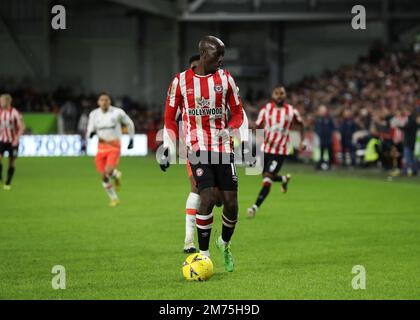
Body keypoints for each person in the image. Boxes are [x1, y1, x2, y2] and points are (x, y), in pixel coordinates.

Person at [161, 36, 244, 272]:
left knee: (230, 204)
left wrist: (230, 129)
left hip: (223, 148)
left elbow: (238, 112)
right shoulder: (180, 81)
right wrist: (167, 146)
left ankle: (224, 244)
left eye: (222, 56)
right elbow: (169, 117)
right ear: (204, 54)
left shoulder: (226, 79)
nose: (221, 60)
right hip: (197, 148)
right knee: (205, 197)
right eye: (218, 55)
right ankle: (204, 255)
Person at [247, 86, 304, 218]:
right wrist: (263, 138)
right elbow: (257, 126)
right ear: (273, 95)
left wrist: (301, 141)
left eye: (282, 93)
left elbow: (300, 123)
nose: (279, 95)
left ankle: (254, 207)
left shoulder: (291, 111)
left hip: (280, 151)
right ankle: (284, 178)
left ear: (285, 95)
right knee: (266, 176)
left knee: (267, 178)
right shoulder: (266, 110)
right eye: (277, 93)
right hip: (266, 149)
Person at [86, 93, 135, 206]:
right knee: (104, 176)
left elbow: (130, 123)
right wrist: (89, 136)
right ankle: (115, 182)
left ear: (110, 102)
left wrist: (131, 139)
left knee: (106, 174)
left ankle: (114, 196)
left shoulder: (118, 113)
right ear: (98, 102)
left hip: (114, 147)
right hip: (101, 148)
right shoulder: (94, 114)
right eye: (102, 100)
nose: (104, 102)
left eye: (106, 100)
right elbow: (90, 129)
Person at [0, 94, 25, 190]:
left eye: (1, 101)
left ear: (7, 102)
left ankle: (8, 182)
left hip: (12, 142)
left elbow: (22, 126)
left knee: (11, 162)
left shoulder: (14, 112)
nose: (0, 103)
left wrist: (17, 138)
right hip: (2, 140)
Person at [399, 106, 420, 176]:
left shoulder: (411, 119)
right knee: (413, 158)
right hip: (414, 142)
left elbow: (405, 127)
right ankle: (414, 171)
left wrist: (398, 126)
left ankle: (407, 171)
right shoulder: (414, 120)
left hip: (409, 142)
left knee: (408, 158)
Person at [315, 105, 335, 169]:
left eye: (323, 110)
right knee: (321, 153)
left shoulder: (329, 119)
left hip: (328, 139)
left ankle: (329, 165)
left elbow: (333, 127)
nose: (322, 112)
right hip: (321, 139)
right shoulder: (318, 119)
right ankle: (320, 165)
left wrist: (330, 133)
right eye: (321, 111)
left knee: (329, 153)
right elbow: (316, 128)